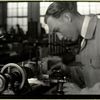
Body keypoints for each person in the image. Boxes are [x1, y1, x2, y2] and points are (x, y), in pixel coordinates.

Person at [44, 2, 100, 94]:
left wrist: (82, 93)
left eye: (57, 30)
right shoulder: (84, 38)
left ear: (67, 17)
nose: (60, 38)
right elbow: (90, 72)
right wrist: (66, 69)